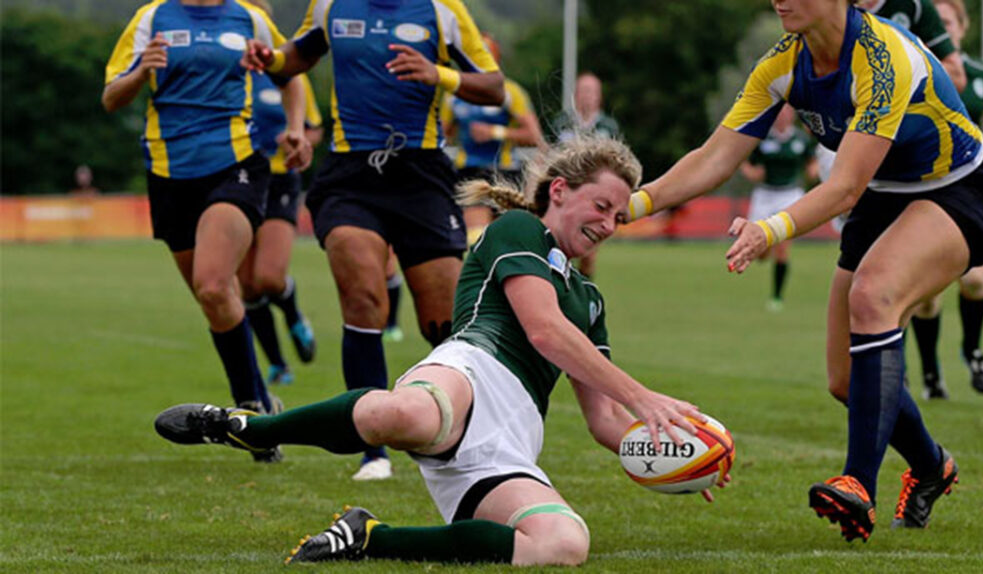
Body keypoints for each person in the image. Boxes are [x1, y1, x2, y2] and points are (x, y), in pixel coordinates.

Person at [154, 135, 722, 566]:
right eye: (601, 206)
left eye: (619, 217)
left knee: (562, 543)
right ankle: (247, 428)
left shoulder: (591, 301)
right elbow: (544, 330)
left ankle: (368, 538)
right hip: (468, 372)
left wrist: (677, 453)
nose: (609, 223)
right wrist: (644, 396)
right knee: (399, 413)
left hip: (513, 435)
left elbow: (604, 420)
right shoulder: (519, 230)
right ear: (560, 191)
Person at [627, 0, 983, 541]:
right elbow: (716, 157)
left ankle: (858, 484)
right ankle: (932, 467)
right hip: (886, 196)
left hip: (964, 189)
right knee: (845, 380)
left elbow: (845, 187)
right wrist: (634, 204)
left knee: (873, 295)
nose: (778, 0)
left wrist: (770, 229)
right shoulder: (782, 64)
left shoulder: (884, 59)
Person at [241, 0, 506, 480]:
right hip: (350, 174)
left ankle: (469, 436)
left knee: (444, 320)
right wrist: (269, 59)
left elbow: (493, 87)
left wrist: (438, 75)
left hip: (421, 173)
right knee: (362, 295)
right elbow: (294, 59)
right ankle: (374, 449)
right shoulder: (330, 7)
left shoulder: (442, 11)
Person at [103, 0, 312, 463]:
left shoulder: (249, 17)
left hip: (235, 163)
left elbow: (291, 72)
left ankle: (251, 409)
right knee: (215, 299)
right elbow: (111, 96)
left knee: (214, 285)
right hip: (168, 173)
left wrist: (297, 130)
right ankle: (262, 406)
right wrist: (141, 73)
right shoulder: (151, 18)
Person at [908, 0, 983, 399]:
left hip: (973, 185)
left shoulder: (978, 74)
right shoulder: (911, 68)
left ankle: (972, 351)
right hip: (925, 183)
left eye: (950, 21)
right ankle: (930, 374)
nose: (944, 28)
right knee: (927, 296)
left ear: (961, 27)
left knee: (975, 280)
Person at [240, 0, 325, 386]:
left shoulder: (288, 72)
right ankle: (277, 362)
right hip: (236, 176)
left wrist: (297, 138)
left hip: (279, 180)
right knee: (246, 286)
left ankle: (292, 313)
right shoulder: (230, 71)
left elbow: (314, 127)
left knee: (269, 279)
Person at [813, 0, 967, 186]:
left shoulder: (914, 6)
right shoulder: (823, 7)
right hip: (845, 135)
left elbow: (957, 77)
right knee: (840, 195)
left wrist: (902, 69)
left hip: (904, 138)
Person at [442, 33, 544, 247]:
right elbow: (441, 135)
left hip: (505, 171)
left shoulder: (511, 92)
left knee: (508, 243)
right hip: (469, 171)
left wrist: (495, 132)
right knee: (478, 240)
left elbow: (534, 136)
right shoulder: (454, 94)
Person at [737, 105, 818, 312]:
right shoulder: (763, 139)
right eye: (779, 114)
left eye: (787, 113)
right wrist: (750, 172)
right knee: (760, 253)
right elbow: (747, 163)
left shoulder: (800, 139)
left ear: (792, 116)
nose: (783, 117)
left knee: (783, 248)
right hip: (764, 195)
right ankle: (768, 246)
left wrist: (819, 171)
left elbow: (812, 166)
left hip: (789, 195)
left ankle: (776, 297)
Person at [554, 72, 621, 278]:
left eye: (591, 91)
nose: (586, 96)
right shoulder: (562, 122)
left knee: (588, 254)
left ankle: (584, 298)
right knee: (561, 251)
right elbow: (549, 156)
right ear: (575, 94)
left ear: (599, 96)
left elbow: (617, 162)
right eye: (583, 91)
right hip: (567, 196)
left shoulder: (608, 127)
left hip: (596, 198)